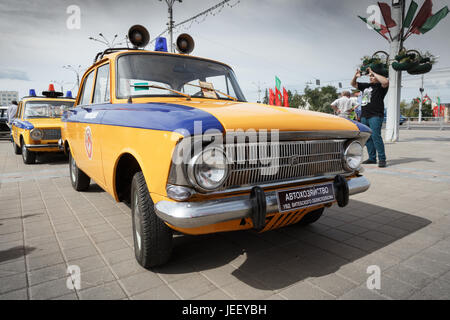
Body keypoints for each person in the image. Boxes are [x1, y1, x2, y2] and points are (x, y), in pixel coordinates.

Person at [351, 67, 389, 168]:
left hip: (375, 115)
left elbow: (385, 81)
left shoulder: (381, 87)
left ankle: (382, 159)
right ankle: (372, 158)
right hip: (365, 115)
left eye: (373, 76)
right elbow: (353, 84)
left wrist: (373, 72)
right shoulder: (366, 86)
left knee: (376, 136)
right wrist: (355, 76)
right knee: (367, 138)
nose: (371, 77)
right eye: (370, 76)